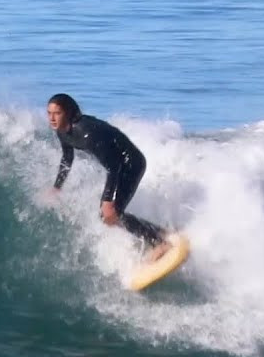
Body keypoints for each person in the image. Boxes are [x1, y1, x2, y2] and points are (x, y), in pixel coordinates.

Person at [47, 93, 173, 261]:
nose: (52, 118)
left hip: (132, 164)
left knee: (112, 213)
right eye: (49, 113)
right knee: (108, 215)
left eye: (57, 113)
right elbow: (67, 158)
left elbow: (114, 166)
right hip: (120, 166)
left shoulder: (87, 133)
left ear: (68, 113)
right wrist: (57, 187)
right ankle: (160, 232)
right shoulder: (62, 131)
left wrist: (108, 200)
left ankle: (159, 242)